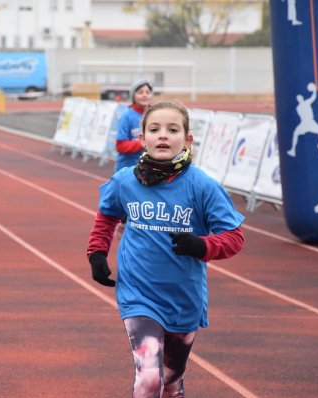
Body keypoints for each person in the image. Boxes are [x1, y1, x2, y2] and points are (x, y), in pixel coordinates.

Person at [86, 101, 245, 398]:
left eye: (172, 130)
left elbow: (234, 237)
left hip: (183, 298)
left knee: (171, 381)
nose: (163, 136)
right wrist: (97, 253)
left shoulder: (203, 186)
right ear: (143, 137)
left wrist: (202, 245)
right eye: (154, 129)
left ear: (187, 140)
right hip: (138, 293)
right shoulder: (125, 181)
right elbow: (107, 215)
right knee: (149, 379)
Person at [115, 79, 154, 172]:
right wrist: (143, 143)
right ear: (133, 96)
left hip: (149, 170)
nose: (144, 95)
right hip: (128, 169)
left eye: (148, 92)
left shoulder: (155, 115)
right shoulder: (127, 116)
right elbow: (120, 146)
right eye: (140, 92)